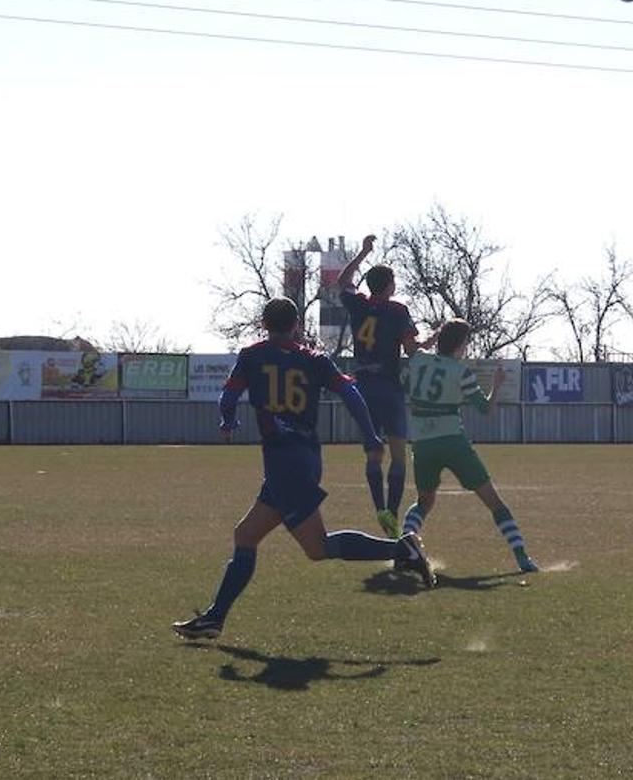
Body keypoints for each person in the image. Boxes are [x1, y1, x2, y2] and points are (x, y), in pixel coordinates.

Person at [172, 297, 433, 641]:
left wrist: (228, 419)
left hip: (285, 462)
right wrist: (370, 436)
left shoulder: (252, 356)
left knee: (317, 548)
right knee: (246, 535)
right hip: (304, 457)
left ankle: (401, 549)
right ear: (296, 324)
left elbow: (229, 395)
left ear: (263, 324)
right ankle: (214, 619)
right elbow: (351, 393)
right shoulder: (314, 359)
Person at [399, 318, 539, 573]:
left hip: (422, 443)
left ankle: (403, 547)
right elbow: (485, 409)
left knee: (424, 502)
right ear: (461, 344)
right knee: (494, 502)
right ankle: (522, 558)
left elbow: (403, 384)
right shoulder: (460, 372)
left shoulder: (418, 360)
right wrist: (496, 386)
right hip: (453, 442)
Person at [336, 235, 437, 539]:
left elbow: (343, 280)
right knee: (397, 455)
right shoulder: (397, 310)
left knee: (373, 455)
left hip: (363, 388)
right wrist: (429, 341)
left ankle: (379, 508)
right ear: (390, 285)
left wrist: (362, 252)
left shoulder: (358, 304)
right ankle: (392, 514)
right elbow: (411, 350)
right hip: (389, 388)